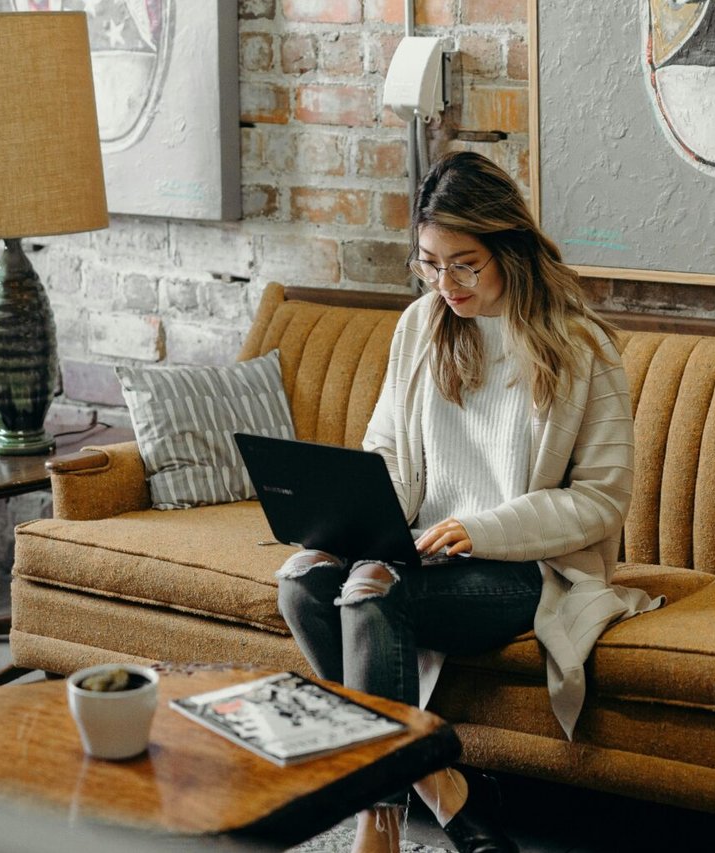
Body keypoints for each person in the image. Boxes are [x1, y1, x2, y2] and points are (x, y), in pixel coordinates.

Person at [274, 151, 662, 853]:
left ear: (508, 249)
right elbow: (387, 452)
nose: (444, 283)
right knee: (302, 580)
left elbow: (601, 500)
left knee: (370, 590)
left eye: (464, 264)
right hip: (421, 547)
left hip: (523, 566)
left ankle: (377, 825)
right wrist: (360, 517)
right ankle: (441, 785)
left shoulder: (581, 348)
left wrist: (476, 529)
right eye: (429, 263)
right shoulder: (421, 327)